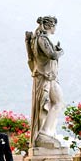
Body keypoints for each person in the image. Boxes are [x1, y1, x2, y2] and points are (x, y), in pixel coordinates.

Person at [25, 16, 64, 148]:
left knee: (58, 102)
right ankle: (45, 132)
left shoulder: (39, 38)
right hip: (46, 77)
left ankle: (48, 132)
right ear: (48, 26)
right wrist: (60, 51)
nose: (55, 28)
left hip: (48, 76)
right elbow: (52, 55)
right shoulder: (42, 39)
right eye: (54, 25)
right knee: (57, 102)